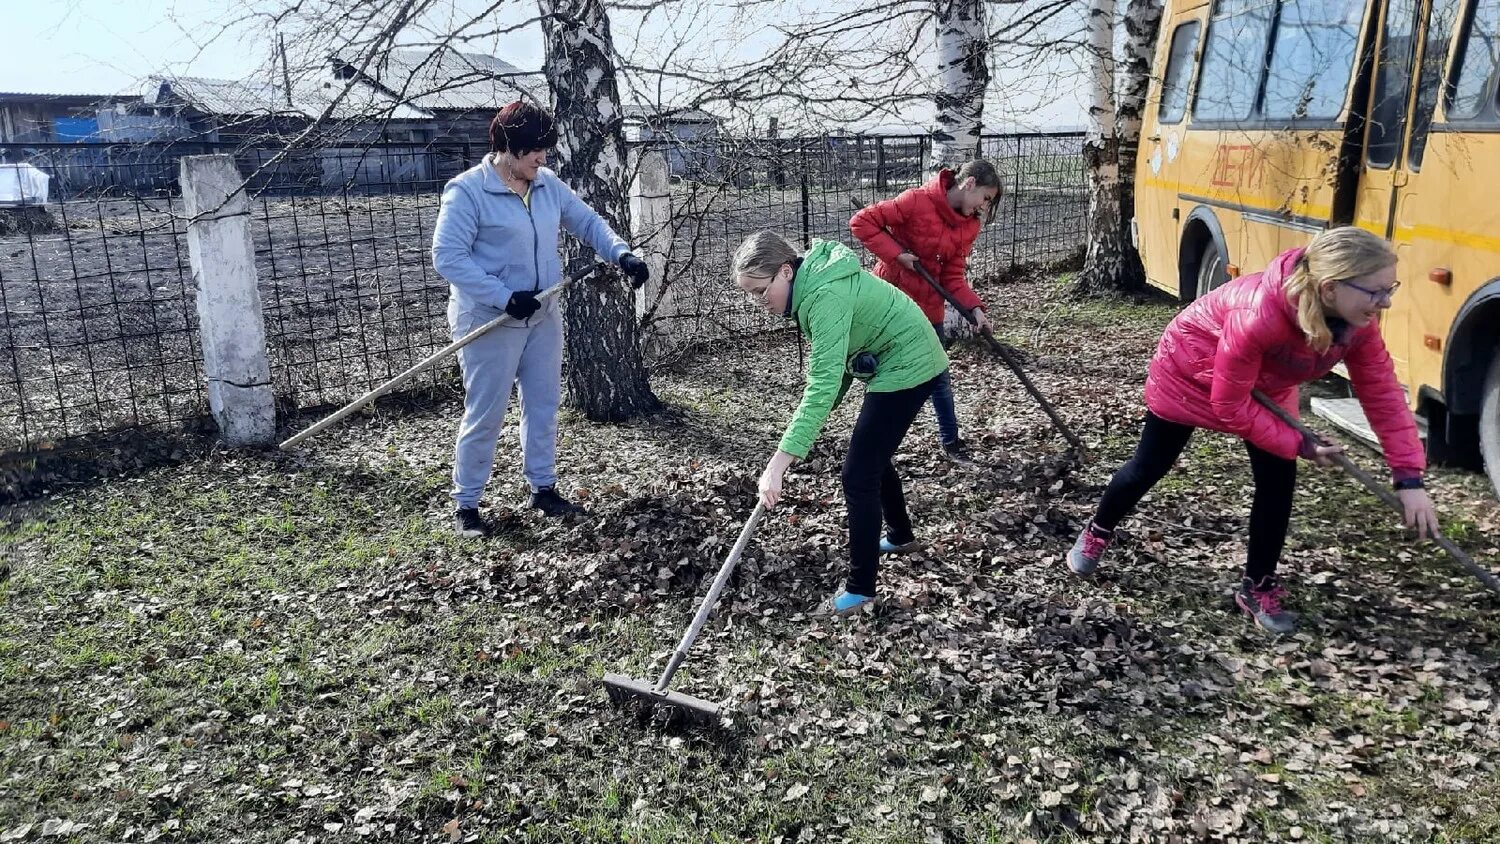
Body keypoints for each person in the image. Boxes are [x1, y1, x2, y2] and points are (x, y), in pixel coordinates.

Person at [1066, 226, 1440, 633]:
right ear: (1331, 288)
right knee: (1150, 465)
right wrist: (1300, 442)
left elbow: (1383, 393)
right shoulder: (1258, 314)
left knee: (1278, 482)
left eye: (1390, 289)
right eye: (1375, 291)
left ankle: (1257, 583)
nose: (1384, 302)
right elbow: (1230, 405)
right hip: (1190, 371)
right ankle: (1097, 530)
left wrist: (1408, 477)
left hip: (1266, 383)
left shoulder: (1357, 324)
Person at [432, 100, 650, 537]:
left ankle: (543, 487)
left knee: (544, 403)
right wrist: (503, 297)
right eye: (535, 150)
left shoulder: (546, 185)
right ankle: (467, 504)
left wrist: (621, 253)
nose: (543, 158)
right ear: (509, 146)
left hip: (543, 314)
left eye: (546, 151)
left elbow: (588, 223)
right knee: (486, 412)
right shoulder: (467, 191)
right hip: (489, 320)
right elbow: (447, 257)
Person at [733, 231, 949, 615]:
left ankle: (860, 588)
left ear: (785, 271)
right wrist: (810, 423)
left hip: (910, 362)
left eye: (760, 291)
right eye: (750, 295)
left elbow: (822, 384)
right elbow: (834, 374)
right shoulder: (814, 285)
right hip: (897, 357)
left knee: (858, 475)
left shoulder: (822, 297)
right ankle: (900, 536)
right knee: (872, 458)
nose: (759, 303)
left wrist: (776, 466)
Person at [849, 159, 1003, 464]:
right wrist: (897, 256)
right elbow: (862, 222)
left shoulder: (968, 227)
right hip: (890, 303)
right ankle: (875, 443)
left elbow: (953, 276)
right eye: (986, 198)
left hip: (928, 308)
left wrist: (974, 308)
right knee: (879, 373)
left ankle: (951, 442)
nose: (984, 208)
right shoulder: (915, 200)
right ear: (969, 183)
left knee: (938, 375)